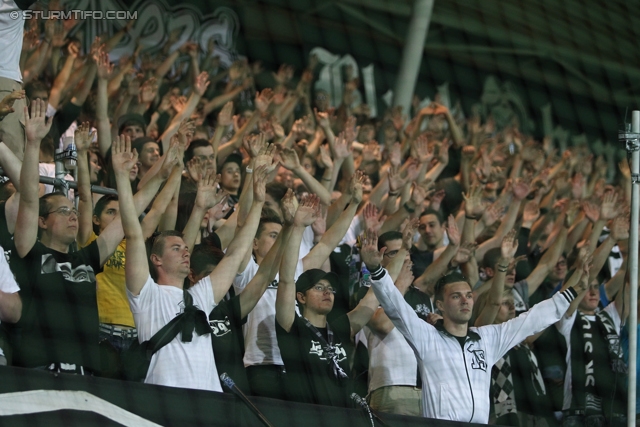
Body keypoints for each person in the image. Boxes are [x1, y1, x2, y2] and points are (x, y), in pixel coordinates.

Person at [117, 129, 273, 390]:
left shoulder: (200, 296)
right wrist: (122, 178)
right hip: (165, 404)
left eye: (185, 247)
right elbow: (133, 234)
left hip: (210, 405)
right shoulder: (146, 294)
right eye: (176, 248)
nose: (186, 251)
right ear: (155, 259)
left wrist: (258, 201)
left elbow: (234, 255)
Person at [368, 243, 589, 423]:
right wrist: (377, 271)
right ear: (440, 306)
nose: (465, 300)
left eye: (468, 295)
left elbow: (532, 320)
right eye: (456, 296)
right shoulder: (428, 338)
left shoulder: (487, 339)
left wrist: (573, 292)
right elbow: (397, 307)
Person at [10, 101, 132, 374]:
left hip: (85, 376)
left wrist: (129, 176)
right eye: (63, 211)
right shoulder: (30, 251)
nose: (73, 216)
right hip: (38, 371)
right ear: (42, 221)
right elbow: (30, 198)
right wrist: (32, 142)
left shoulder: (88, 257)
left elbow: (128, 217)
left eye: (73, 210)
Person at [275, 195, 380, 407]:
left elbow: (370, 302)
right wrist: (296, 228)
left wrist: (374, 269)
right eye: (320, 288)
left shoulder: (340, 327)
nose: (328, 293)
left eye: (331, 289)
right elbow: (287, 280)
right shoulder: (292, 327)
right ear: (301, 297)